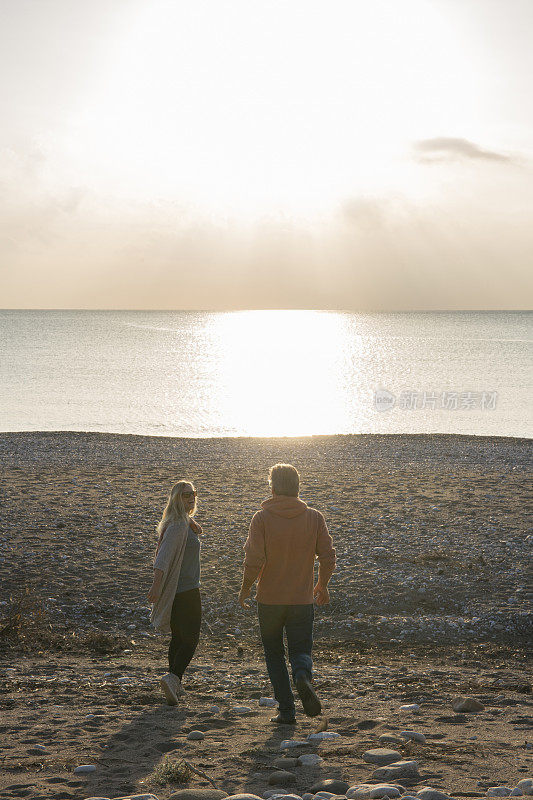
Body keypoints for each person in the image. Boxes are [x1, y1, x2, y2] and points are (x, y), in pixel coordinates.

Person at [239, 463, 336, 724]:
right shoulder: (314, 517)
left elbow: (254, 560)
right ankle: (302, 675)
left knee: (273, 653)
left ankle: (286, 710)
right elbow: (328, 556)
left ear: (272, 488)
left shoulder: (261, 518)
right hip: (302, 600)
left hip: (269, 600)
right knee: (300, 649)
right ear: (297, 487)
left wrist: (246, 588)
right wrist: (322, 584)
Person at [148, 480, 203, 705]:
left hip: (183, 589)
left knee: (179, 638)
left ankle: (174, 686)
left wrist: (192, 521)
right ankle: (174, 678)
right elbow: (162, 559)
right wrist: (155, 586)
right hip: (186, 590)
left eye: (193, 494)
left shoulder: (180, 521)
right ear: (175, 499)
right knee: (191, 638)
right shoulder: (178, 525)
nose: (191, 497)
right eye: (185, 495)